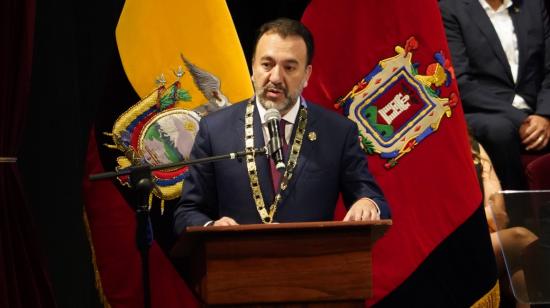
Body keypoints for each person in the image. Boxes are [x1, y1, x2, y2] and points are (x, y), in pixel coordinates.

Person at [173, 18, 390, 233]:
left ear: (307, 75)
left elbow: (373, 199)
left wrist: (368, 204)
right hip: (238, 262)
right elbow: (188, 212)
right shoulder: (215, 129)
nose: (275, 77)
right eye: (267, 65)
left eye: (289, 67)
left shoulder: (338, 133)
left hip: (312, 264)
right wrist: (212, 227)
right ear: (253, 67)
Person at [439, 0, 550, 190]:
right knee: (499, 130)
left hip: (536, 107)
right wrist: (521, 119)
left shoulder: (533, 5)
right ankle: (519, 212)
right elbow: (461, 82)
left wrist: (544, 114)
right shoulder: (451, 9)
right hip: (485, 109)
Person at [471, 136, 538, 307]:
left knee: (521, 275)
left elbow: (497, 212)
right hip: (453, 248)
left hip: (485, 238)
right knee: (520, 238)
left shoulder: (472, 145)